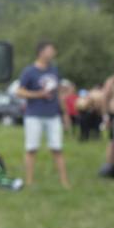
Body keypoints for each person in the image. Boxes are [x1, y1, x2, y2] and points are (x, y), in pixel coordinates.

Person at [14, 41, 70, 188]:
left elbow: (58, 94)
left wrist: (64, 114)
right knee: (32, 148)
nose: (53, 53)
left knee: (57, 148)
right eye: (51, 50)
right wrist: (38, 94)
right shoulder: (29, 71)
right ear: (41, 52)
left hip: (53, 115)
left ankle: (64, 182)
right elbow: (19, 91)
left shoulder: (54, 70)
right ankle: (30, 181)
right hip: (34, 115)